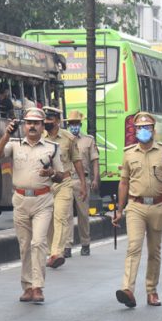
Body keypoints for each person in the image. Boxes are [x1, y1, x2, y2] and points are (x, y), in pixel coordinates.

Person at [113, 112, 162, 308]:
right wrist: (119, 210)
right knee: (133, 247)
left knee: (154, 251)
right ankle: (128, 289)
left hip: (158, 206)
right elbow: (123, 183)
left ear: (154, 130)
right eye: (141, 128)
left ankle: (152, 291)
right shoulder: (129, 153)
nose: (144, 131)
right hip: (136, 206)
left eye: (148, 127)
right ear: (135, 131)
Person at [0, 108, 65, 303]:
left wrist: (52, 173)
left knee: (38, 243)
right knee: (25, 245)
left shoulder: (52, 148)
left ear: (43, 126)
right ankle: (27, 287)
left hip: (42, 200)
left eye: (36, 123)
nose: (32, 126)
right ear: (24, 126)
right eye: (29, 123)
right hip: (20, 200)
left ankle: (38, 286)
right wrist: (7, 134)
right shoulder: (15, 144)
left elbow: (61, 176)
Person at [43, 106, 86, 268]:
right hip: (45, 185)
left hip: (64, 183)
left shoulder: (68, 138)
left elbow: (77, 161)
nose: (47, 123)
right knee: (47, 220)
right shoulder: (40, 137)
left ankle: (56, 253)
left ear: (58, 122)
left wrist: (83, 183)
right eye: (45, 120)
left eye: (50, 120)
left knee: (61, 217)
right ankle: (50, 251)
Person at [64, 110, 99, 257]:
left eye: (76, 124)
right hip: (66, 180)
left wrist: (95, 178)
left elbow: (94, 161)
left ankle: (85, 243)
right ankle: (66, 245)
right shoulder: (63, 140)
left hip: (81, 180)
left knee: (83, 214)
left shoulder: (88, 140)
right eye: (71, 124)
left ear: (80, 124)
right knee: (66, 214)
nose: (74, 126)